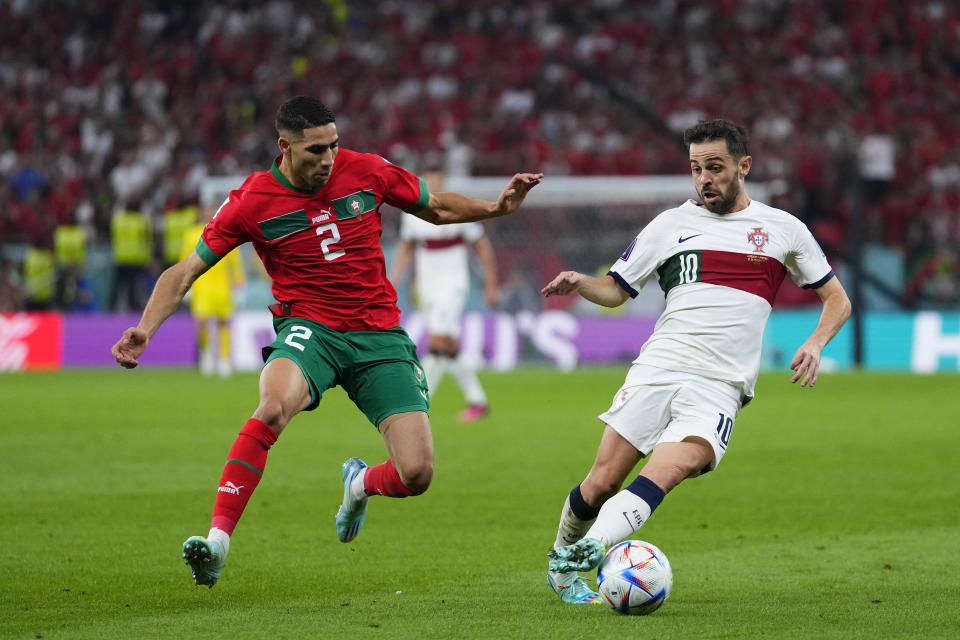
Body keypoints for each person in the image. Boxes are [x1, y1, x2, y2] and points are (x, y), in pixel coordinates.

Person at [110, 96, 542, 588]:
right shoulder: (251, 201)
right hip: (309, 329)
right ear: (285, 147)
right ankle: (216, 543)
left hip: (378, 334)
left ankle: (358, 484)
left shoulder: (366, 171)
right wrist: (146, 328)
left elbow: (437, 207)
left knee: (417, 473)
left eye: (333, 146)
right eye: (316, 151)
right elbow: (185, 271)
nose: (328, 159)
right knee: (272, 407)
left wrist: (498, 208)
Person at [540, 119, 851, 605]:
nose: (704, 178)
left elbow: (837, 300)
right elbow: (616, 291)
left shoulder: (783, 230)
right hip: (659, 368)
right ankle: (562, 561)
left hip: (720, 385)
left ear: (743, 166)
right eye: (695, 168)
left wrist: (815, 342)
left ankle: (595, 546)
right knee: (602, 481)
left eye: (715, 167)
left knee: (673, 468)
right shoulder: (669, 226)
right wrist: (582, 280)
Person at [390, 165, 499, 422]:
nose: (434, 184)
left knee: (437, 341)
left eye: (438, 180)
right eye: (429, 180)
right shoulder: (412, 212)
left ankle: (418, 401)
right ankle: (478, 401)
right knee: (448, 345)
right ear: (423, 182)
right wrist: (395, 279)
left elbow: (482, 247)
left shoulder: (458, 209)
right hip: (427, 285)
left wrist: (491, 283)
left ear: (444, 181)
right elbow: (406, 248)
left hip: (454, 282)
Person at [180, 204, 245, 377]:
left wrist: (239, 284)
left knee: (224, 322)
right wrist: (186, 286)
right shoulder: (192, 234)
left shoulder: (227, 231)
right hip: (202, 286)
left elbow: (235, 262)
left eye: (212, 211)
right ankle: (207, 355)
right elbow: (186, 261)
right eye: (206, 210)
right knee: (202, 322)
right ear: (201, 213)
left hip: (222, 286)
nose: (209, 213)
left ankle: (224, 359)